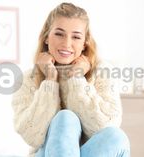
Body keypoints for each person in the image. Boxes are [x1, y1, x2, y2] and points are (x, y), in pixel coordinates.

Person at [12, 2, 130, 157]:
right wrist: (50, 79)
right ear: (47, 37)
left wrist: (77, 78)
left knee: (117, 137)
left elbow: (104, 127)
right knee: (65, 118)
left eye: (76, 36)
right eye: (59, 34)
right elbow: (32, 137)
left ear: (84, 43)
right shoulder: (28, 79)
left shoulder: (102, 71)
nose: (67, 43)